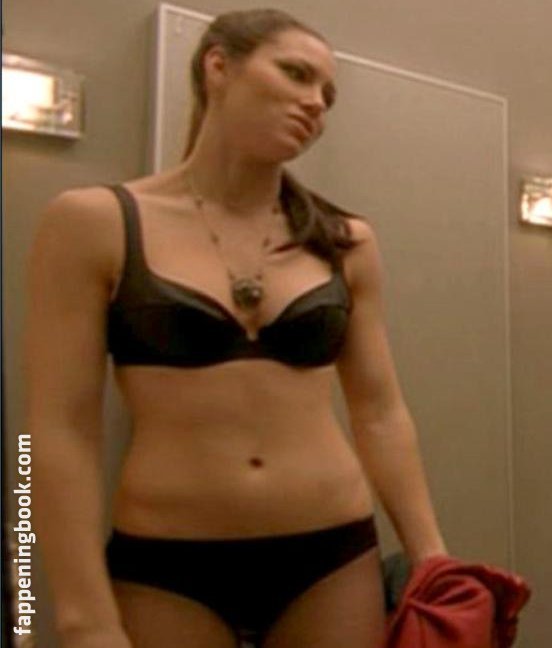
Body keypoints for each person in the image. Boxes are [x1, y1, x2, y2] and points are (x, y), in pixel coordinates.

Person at [25, 9, 447, 647]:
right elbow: (55, 432)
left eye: (328, 95)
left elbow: (381, 413)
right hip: (167, 562)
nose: (316, 103)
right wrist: (83, 614)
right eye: (296, 74)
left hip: (332, 557)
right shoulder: (94, 223)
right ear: (218, 67)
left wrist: (432, 560)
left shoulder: (344, 241)